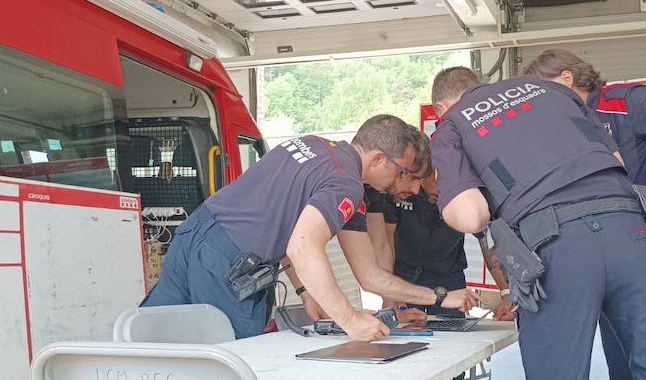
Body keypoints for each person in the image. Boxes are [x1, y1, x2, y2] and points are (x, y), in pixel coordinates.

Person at [429, 66, 646, 379]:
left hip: (555, 245)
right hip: (633, 230)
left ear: (440, 108)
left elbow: (470, 216)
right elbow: (617, 162)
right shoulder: (550, 90)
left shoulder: (452, 126)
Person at [141, 114, 479, 340]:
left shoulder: (315, 147)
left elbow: (370, 276)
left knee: (153, 343)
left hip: (195, 234)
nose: (406, 184)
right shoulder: (345, 183)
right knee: (234, 360)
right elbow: (301, 247)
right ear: (377, 159)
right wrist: (350, 320)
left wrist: (440, 297)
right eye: (402, 172)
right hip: (228, 262)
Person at [524, 48, 646, 380]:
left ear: (566, 78)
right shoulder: (566, 125)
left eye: (544, 91)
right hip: (608, 258)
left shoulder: (621, 101)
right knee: (622, 366)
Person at [366, 172, 516, 321]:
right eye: (439, 183)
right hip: (404, 276)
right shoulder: (405, 185)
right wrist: (390, 294)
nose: (443, 192)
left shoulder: (467, 192)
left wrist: (507, 293)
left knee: (452, 337)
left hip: (449, 276)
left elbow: (488, 243)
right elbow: (384, 243)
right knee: (403, 336)